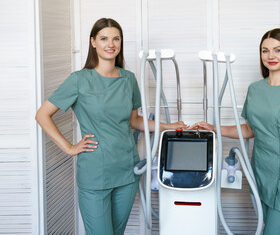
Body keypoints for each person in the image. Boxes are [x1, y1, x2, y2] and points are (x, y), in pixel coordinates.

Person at [35, 18, 186, 235]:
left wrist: (167, 125)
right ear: (93, 42)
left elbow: (134, 120)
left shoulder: (129, 79)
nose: (110, 44)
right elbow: (42, 115)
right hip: (95, 173)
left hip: (126, 171)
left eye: (116, 38)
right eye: (104, 38)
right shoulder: (79, 80)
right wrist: (69, 148)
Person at [188, 28, 280, 235]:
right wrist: (214, 128)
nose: (271, 56)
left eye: (278, 50)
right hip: (260, 176)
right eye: (265, 51)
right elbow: (250, 129)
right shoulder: (255, 89)